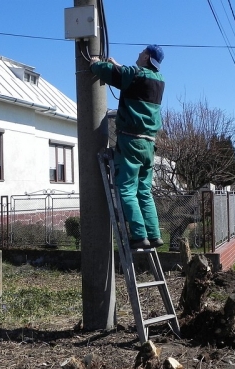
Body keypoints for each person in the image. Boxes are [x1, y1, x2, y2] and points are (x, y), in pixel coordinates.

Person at [90, 45, 165, 249]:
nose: (138, 54)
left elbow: (104, 71)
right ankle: (154, 234)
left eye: (141, 52)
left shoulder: (134, 74)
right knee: (144, 191)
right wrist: (117, 65)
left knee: (126, 189)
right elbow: (131, 76)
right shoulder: (158, 80)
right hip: (149, 143)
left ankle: (139, 235)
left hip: (131, 141)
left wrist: (96, 62)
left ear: (147, 56)